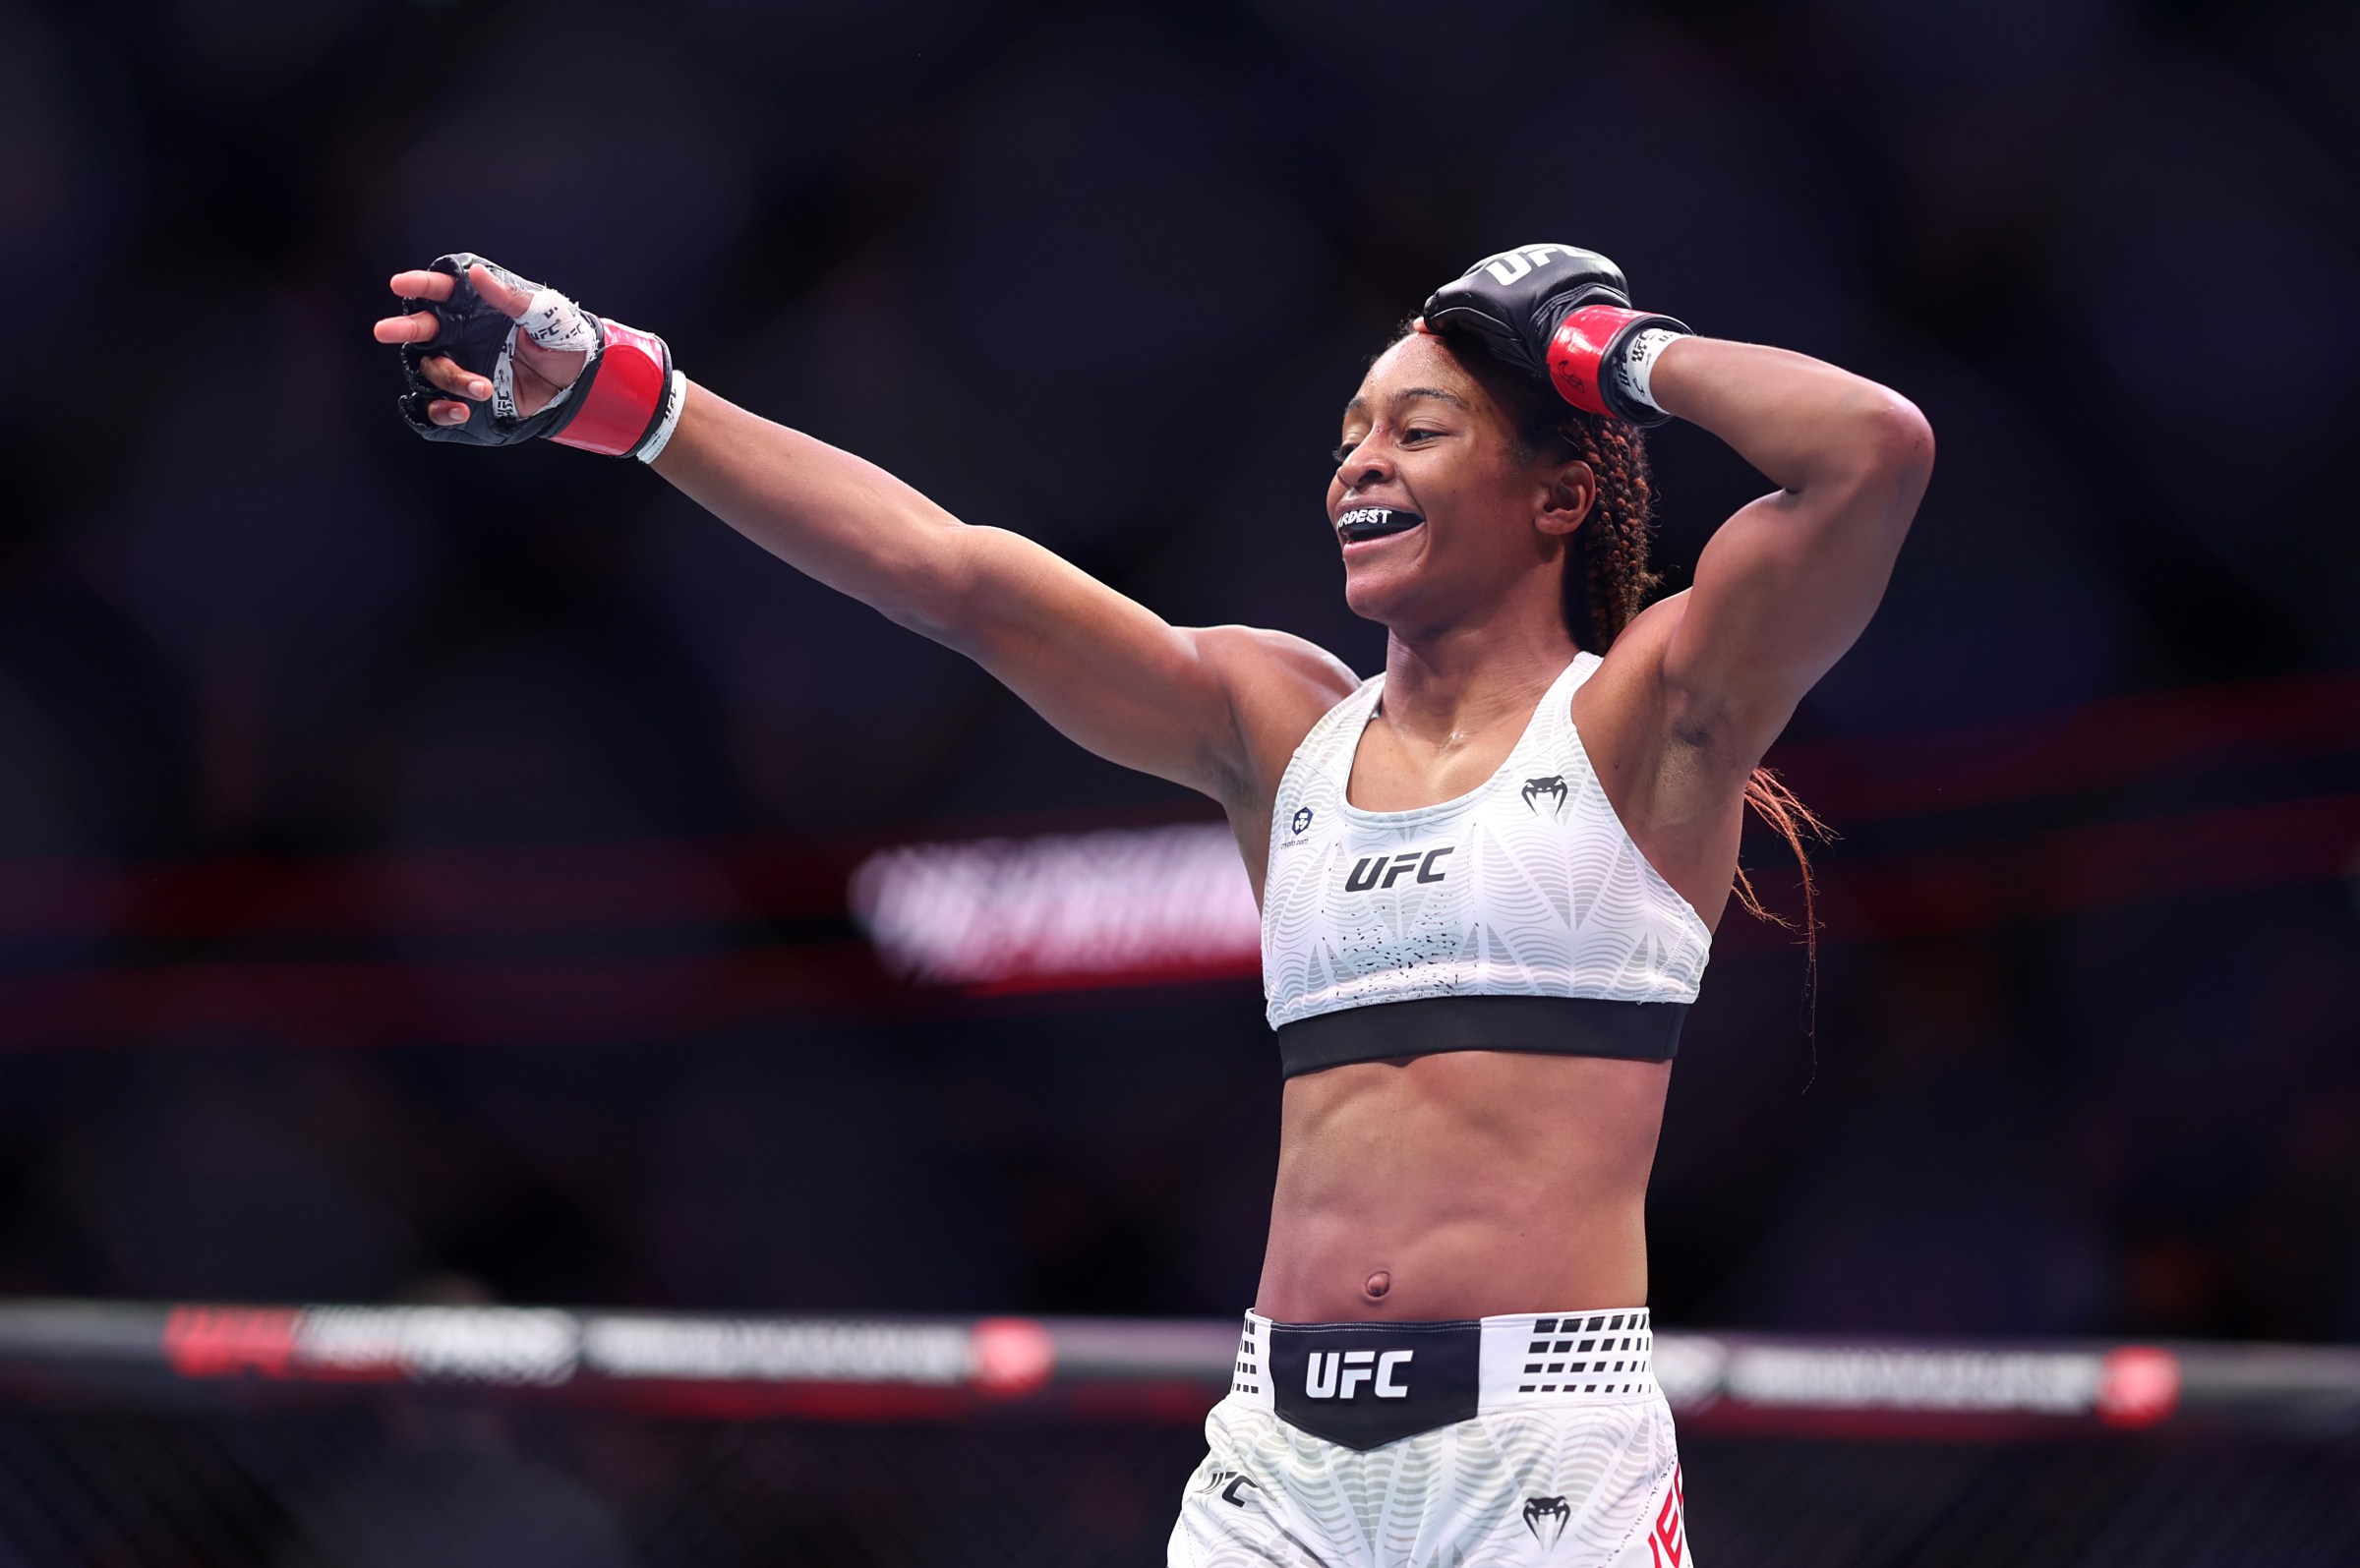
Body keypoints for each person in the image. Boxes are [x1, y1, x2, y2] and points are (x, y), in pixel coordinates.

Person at [374, 241, 1931, 1565]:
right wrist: (635, 401)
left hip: (1537, 1454)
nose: (1360, 461)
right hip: (1281, 1460)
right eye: (1348, 433)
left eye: (1421, 427)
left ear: (1556, 497)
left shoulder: (1647, 725)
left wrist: (1605, 348)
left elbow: (1871, 448)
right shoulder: (1279, 731)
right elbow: (954, 576)